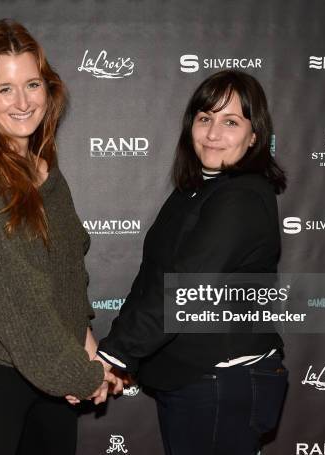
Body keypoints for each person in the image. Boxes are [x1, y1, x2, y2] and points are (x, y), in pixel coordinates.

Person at [0, 19, 122, 455]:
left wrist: (89, 356)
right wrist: (78, 375)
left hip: (52, 376)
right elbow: (14, 294)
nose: (22, 102)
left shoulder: (46, 170)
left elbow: (67, 280)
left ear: (48, 88)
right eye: (4, 88)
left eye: (32, 84)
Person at [96, 70, 289, 454]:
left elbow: (186, 290)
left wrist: (112, 357)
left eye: (230, 121)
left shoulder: (241, 198)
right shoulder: (195, 191)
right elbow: (153, 280)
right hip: (194, 381)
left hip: (222, 382)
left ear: (254, 136)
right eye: (205, 118)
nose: (213, 133)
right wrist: (118, 356)